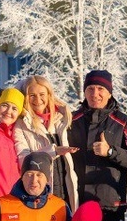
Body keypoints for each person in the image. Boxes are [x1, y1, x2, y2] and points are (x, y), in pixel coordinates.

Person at [68, 70, 127, 221]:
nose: (95, 94)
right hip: (79, 203)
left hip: (110, 205)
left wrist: (110, 151)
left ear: (109, 93)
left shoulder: (123, 122)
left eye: (100, 89)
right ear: (84, 92)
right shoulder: (72, 120)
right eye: (90, 88)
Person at [14, 75, 79, 205]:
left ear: (49, 95)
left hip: (67, 189)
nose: (38, 100)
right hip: (42, 192)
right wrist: (53, 151)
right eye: (32, 95)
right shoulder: (21, 125)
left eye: (42, 94)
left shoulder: (62, 118)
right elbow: (24, 159)